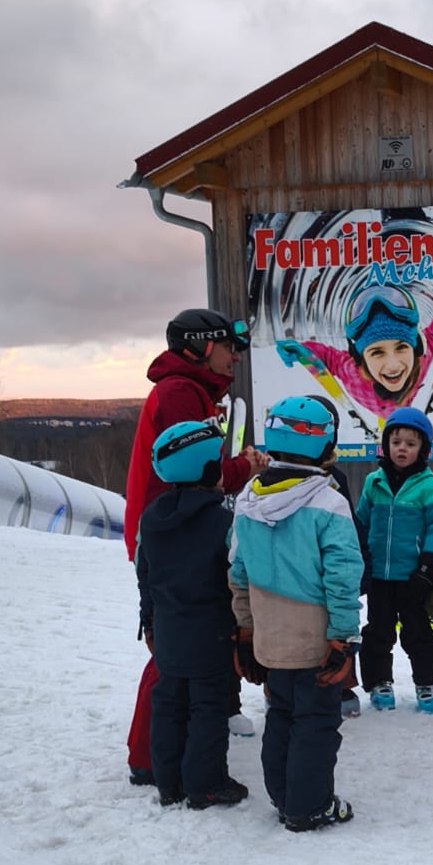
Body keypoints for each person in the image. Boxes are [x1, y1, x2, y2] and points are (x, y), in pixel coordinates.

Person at [124, 308, 267, 786]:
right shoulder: (180, 392)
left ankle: (189, 737)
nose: (236, 357)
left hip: (178, 526)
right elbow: (197, 468)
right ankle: (148, 756)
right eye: (229, 347)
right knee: (173, 648)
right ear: (201, 347)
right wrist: (246, 467)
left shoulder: (194, 390)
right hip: (171, 530)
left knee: (191, 638)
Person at [228, 395, 363, 831]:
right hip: (315, 638)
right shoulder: (328, 503)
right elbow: (343, 577)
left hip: (269, 634)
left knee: (281, 715)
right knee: (317, 721)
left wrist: (246, 630)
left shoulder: (249, 499)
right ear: (326, 445)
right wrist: (343, 637)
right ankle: (309, 806)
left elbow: (238, 571)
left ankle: (285, 797)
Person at [135, 421, 248, 811]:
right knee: (208, 709)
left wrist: (149, 620)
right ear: (206, 468)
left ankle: (169, 783)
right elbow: (236, 578)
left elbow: (145, 574)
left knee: (169, 706)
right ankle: (206, 784)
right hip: (211, 636)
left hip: (168, 633)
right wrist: (243, 627)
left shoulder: (152, 518)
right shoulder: (222, 523)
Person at [355, 407, 433, 713]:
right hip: (379, 576)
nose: (402, 449)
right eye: (396, 442)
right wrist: (360, 556)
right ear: (386, 445)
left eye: (410, 444)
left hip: (412, 575)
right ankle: (379, 682)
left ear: (423, 449)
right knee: (378, 631)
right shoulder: (373, 482)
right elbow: (360, 522)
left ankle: (427, 681)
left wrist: (428, 563)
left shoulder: (428, 485)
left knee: (416, 631)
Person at [275, 282, 433, 420]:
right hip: (376, 413)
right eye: (377, 352)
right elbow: (327, 356)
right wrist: (303, 351)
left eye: (401, 347)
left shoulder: (421, 357)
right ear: (361, 358)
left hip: (405, 405)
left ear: (415, 346)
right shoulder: (352, 371)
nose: (393, 364)